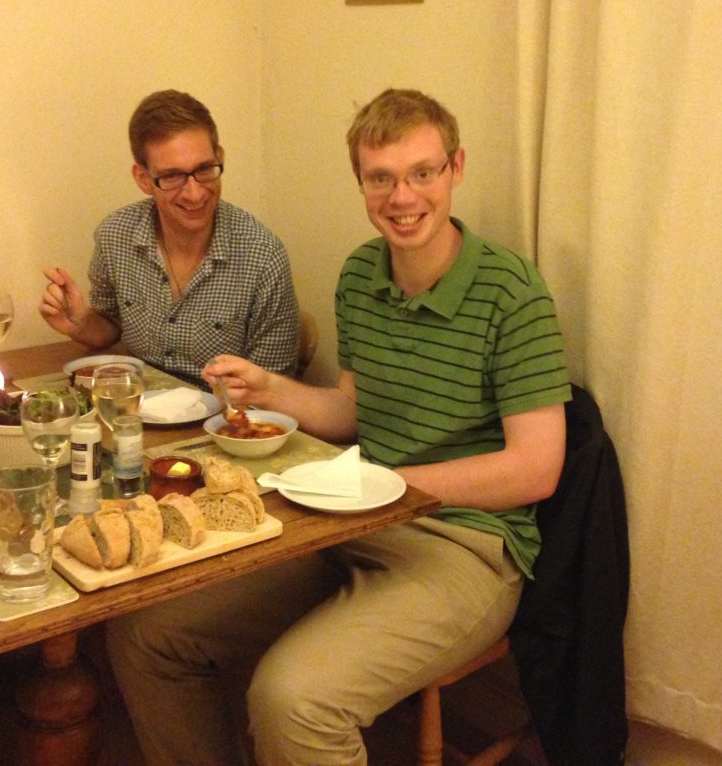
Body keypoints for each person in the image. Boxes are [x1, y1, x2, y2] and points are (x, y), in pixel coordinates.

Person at [105, 88, 573, 765]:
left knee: (292, 698)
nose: (402, 196)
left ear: (456, 169)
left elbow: (536, 468)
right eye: (380, 178)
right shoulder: (361, 274)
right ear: (361, 183)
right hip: (353, 526)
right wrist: (272, 389)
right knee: (148, 635)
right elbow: (352, 410)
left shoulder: (512, 293)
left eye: (421, 172)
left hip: (463, 551)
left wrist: (386, 483)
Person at [40, 89, 299, 388]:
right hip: (136, 413)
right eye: (173, 177)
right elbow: (110, 327)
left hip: (224, 421)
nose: (195, 192)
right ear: (143, 179)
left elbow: (271, 390)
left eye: (204, 169)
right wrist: (81, 322)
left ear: (220, 158)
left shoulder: (262, 255)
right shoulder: (115, 235)